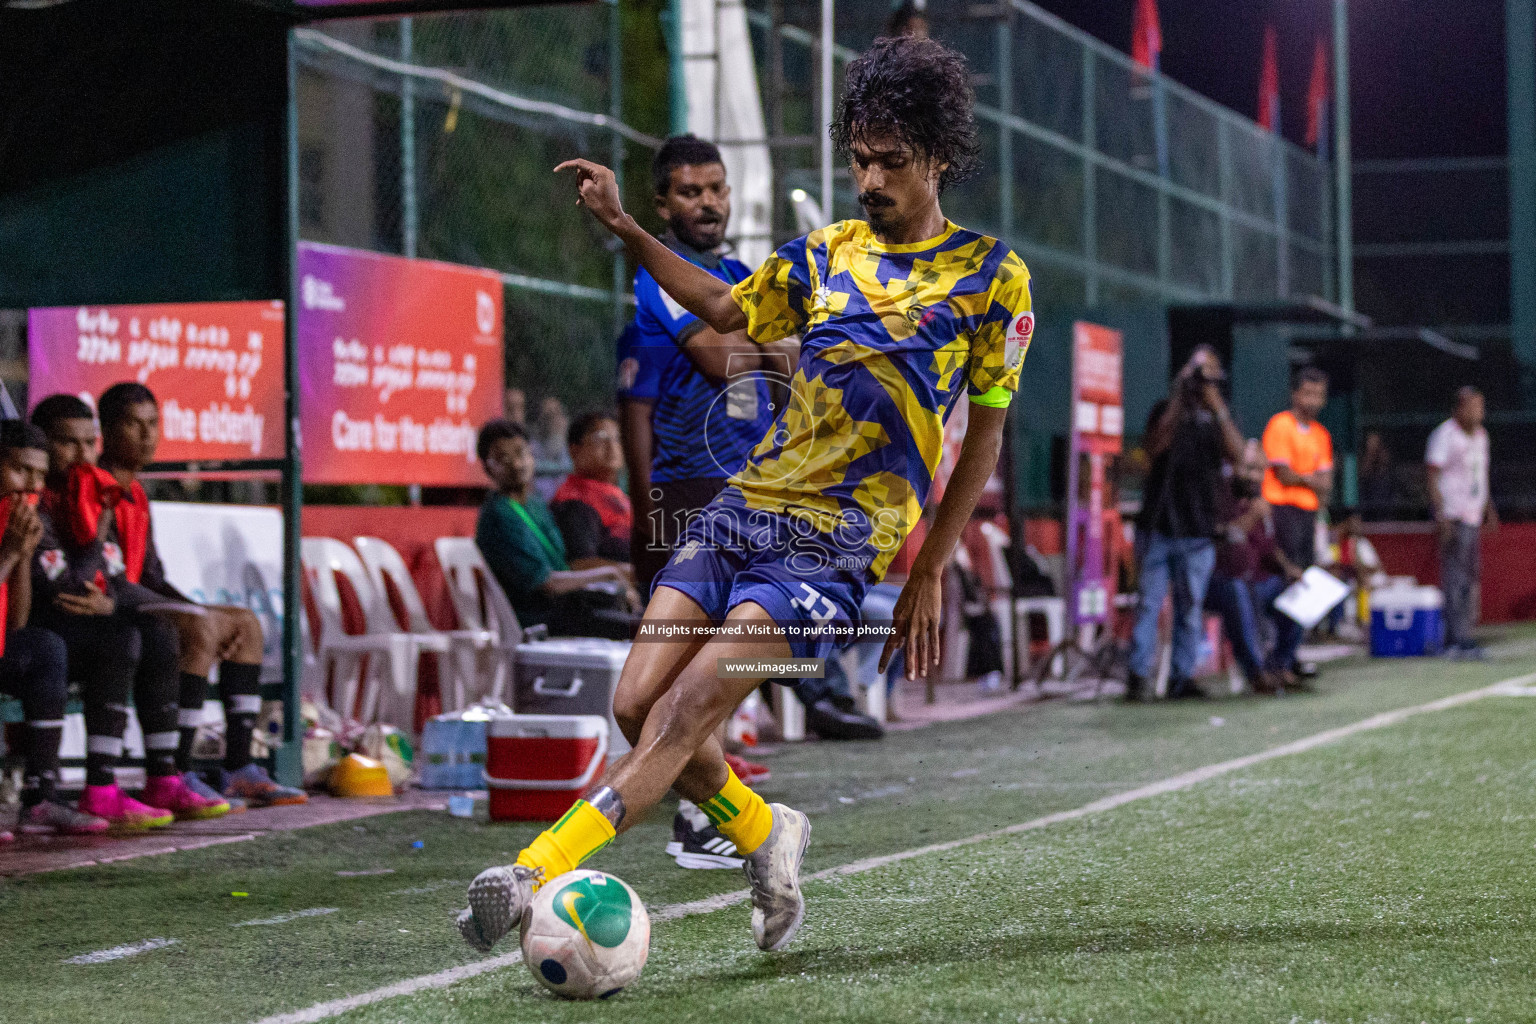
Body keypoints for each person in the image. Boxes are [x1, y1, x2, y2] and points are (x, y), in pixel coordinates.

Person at [459, 34, 1033, 956]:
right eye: (859, 160)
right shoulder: (826, 253)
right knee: (637, 705)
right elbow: (724, 311)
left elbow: (988, 433)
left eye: (891, 162)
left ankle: (533, 873)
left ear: (938, 158)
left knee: (689, 709)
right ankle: (767, 834)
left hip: (834, 540)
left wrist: (928, 565)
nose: (871, 179)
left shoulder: (994, 280)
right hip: (743, 506)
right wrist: (626, 229)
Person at [36, 387, 306, 811]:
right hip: (78, 618)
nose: (147, 435)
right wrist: (185, 612)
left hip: (115, 603)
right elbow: (93, 581)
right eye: (134, 424)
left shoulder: (130, 492)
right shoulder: (80, 493)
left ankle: (237, 767)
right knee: (181, 628)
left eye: (153, 424)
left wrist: (188, 607)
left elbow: (147, 578)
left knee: (244, 624)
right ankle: (175, 771)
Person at [28, 393, 208, 827]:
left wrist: (184, 611)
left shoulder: (90, 496)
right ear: (43, 444)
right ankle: (97, 787)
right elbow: (67, 588)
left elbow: (114, 579)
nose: (82, 455)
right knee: (121, 638)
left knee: (159, 631)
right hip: (37, 627)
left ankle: (162, 776)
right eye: (68, 443)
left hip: (73, 623)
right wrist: (100, 534)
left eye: (89, 444)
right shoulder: (39, 500)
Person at [0, 422, 109, 836]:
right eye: (20, 470)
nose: (31, 484)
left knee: (44, 647)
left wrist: (21, 557)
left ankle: (41, 796)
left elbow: (15, 623)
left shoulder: (18, 519)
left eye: (40, 475)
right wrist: (11, 554)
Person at [1126, 347, 1246, 701]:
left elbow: (1239, 455)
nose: (1203, 381)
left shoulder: (1217, 419)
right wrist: (1180, 396)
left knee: (1190, 607)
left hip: (1198, 529)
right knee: (1149, 603)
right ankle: (1138, 677)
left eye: (1210, 373)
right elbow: (1153, 449)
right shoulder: (1165, 411)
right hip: (1158, 525)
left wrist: (1216, 405)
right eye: (1199, 373)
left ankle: (1181, 677)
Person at [476, 419, 641, 640]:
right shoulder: (499, 515)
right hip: (540, 619)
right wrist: (609, 574)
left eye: (520, 452)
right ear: (487, 467)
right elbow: (548, 584)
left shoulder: (534, 504)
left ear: (532, 455)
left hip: (570, 609)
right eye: (502, 458)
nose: (516, 464)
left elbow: (561, 568)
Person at [1205, 441, 1302, 695]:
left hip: (1257, 583)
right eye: (1248, 468)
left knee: (1295, 592)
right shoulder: (1221, 497)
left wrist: (1289, 569)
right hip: (1217, 582)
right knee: (1237, 591)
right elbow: (1223, 540)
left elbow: (1269, 549)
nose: (1253, 476)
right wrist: (1252, 517)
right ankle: (1256, 672)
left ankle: (1281, 665)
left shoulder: (1260, 503)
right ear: (1234, 466)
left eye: (1259, 470)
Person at [1261, 367, 1333, 676]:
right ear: (1295, 394)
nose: (1314, 400)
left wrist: (1303, 479)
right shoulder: (1281, 425)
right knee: (1284, 583)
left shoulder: (1321, 435)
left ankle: (1290, 655)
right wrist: (1310, 479)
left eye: (1319, 394)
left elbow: (1327, 483)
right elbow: (1282, 473)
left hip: (1307, 517)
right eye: (1308, 393)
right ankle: (1276, 656)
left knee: (1305, 586)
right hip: (1282, 514)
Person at [1426, 386, 1496, 659]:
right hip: (1454, 515)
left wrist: (1489, 507)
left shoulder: (1480, 436)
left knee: (1470, 577)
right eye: (1475, 407)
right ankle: (1453, 638)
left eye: (1482, 407)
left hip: (1473, 513)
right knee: (1454, 577)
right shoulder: (1445, 435)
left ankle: (1465, 634)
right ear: (1460, 407)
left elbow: (1480, 474)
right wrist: (1441, 514)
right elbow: (1432, 476)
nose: (1480, 413)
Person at [550, 412, 633, 568]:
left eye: (617, 438)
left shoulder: (617, 495)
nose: (612, 446)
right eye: (601, 438)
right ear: (574, 451)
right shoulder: (574, 500)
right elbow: (581, 564)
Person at [530, 396, 573, 503]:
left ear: (565, 419)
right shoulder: (528, 453)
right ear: (538, 421)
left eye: (557, 414)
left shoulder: (575, 453)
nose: (553, 421)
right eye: (547, 416)